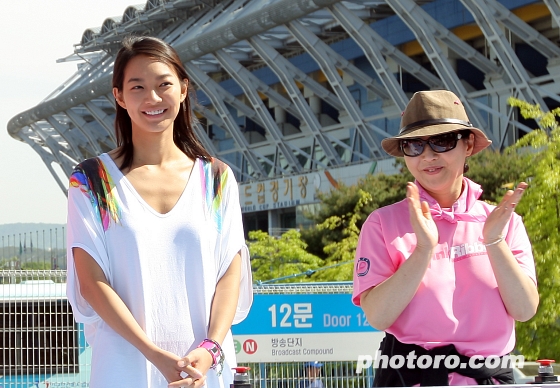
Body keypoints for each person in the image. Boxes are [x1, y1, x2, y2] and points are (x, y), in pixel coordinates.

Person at [65, 36, 253, 388]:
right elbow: (92, 283)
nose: (152, 98)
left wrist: (211, 349)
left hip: (205, 373)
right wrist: (156, 356)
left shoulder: (216, 178)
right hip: (124, 373)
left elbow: (230, 273)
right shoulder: (91, 181)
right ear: (119, 96)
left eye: (164, 84)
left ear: (183, 90)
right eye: (137, 87)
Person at [352, 90, 538, 386]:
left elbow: (525, 310)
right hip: (410, 376)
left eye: (442, 141)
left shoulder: (503, 222)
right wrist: (424, 249)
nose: (427, 155)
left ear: (468, 145)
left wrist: (493, 241)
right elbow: (378, 316)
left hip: (488, 379)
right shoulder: (382, 224)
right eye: (413, 145)